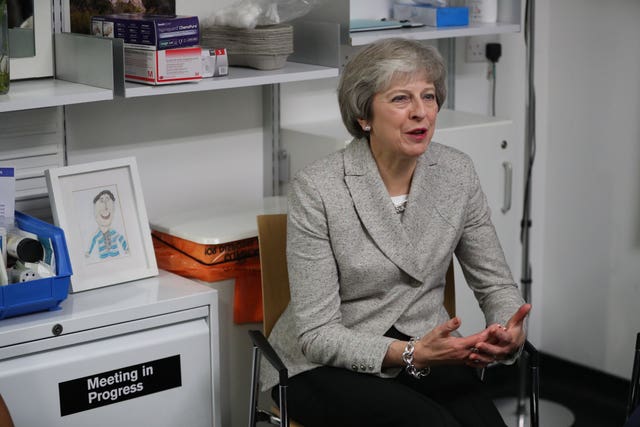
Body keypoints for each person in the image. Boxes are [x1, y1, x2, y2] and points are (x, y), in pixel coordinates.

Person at [261, 38, 531, 427]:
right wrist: (410, 353)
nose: (421, 113)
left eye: (429, 96)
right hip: (323, 364)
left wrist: (508, 331)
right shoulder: (318, 187)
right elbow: (317, 335)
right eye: (401, 99)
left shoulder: (457, 173)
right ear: (364, 115)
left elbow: (495, 285)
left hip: (425, 348)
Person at [86, 189, 129, 260]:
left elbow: (121, 239)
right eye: (101, 201)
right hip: (103, 259)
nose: (105, 207)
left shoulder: (113, 232)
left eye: (107, 201)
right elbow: (93, 242)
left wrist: (126, 248)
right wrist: (89, 252)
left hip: (116, 257)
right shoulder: (97, 234)